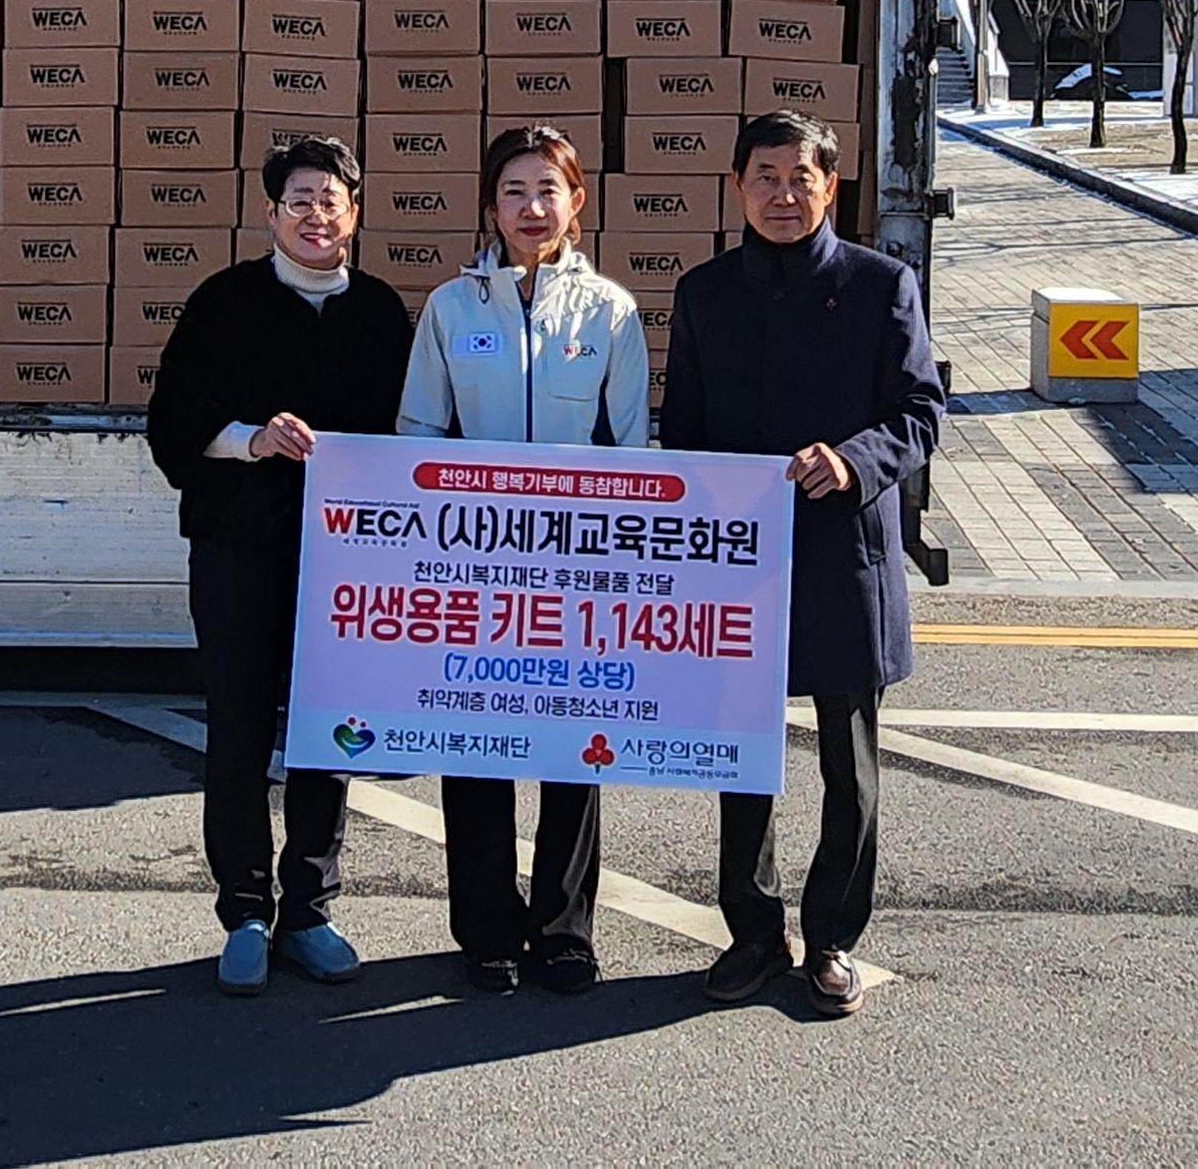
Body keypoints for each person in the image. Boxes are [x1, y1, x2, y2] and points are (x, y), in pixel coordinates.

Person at [661, 109, 943, 1019]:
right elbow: (684, 431)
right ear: (737, 187)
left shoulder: (880, 285)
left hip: (842, 553)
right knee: (739, 758)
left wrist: (853, 461)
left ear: (831, 186)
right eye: (766, 178)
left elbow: (921, 413)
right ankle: (752, 931)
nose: (784, 196)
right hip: (737, 563)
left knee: (849, 769)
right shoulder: (704, 293)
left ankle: (831, 937)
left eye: (801, 179)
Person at [142, 134, 416, 998]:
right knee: (238, 727)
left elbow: (410, 434)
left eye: (331, 201)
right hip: (240, 547)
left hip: (346, 560)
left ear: (355, 214)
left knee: (331, 730)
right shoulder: (223, 301)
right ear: (270, 214)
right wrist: (252, 440)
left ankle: (309, 907)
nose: (315, 216)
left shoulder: (380, 312)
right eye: (299, 200)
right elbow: (171, 421)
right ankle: (244, 911)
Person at [396, 123, 649, 996]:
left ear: (577, 202)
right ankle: (487, 931)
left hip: (578, 573)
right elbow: (420, 432)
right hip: (473, 566)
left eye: (549, 190)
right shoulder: (450, 308)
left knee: (575, 749)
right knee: (475, 743)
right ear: (490, 205)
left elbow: (630, 449)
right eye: (514, 191)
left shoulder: (611, 311)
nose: (532, 208)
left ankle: (565, 932)